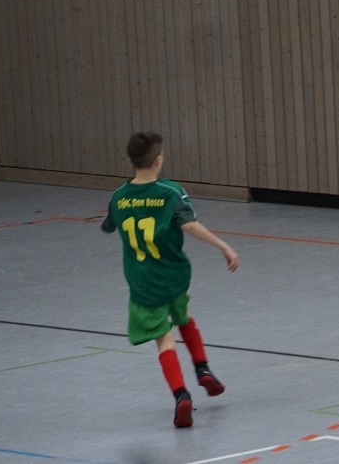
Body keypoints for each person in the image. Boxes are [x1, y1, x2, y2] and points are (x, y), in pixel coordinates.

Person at [101, 132, 239, 428]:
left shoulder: (118, 196)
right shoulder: (171, 192)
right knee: (183, 316)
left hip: (143, 282)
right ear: (158, 160)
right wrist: (222, 245)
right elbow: (189, 225)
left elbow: (108, 226)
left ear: (130, 160)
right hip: (174, 274)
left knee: (163, 337)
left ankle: (181, 395)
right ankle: (202, 368)